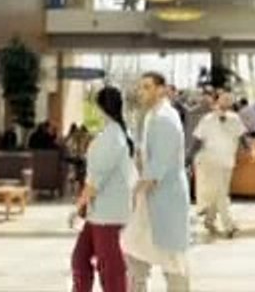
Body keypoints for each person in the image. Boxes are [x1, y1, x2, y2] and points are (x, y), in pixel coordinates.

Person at [122, 72, 191, 292]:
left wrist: (134, 193)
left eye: (147, 87)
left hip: (165, 198)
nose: (142, 92)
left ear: (161, 89)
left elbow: (157, 167)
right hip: (151, 198)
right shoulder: (152, 116)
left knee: (173, 260)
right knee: (134, 251)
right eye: (141, 87)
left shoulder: (164, 119)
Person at [72, 87, 136, 292]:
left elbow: (94, 181)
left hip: (107, 214)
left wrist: (78, 206)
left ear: (99, 108)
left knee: (110, 268)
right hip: (100, 213)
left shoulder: (111, 138)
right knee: (80, 259)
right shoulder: (115, 133)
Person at [193, 91, 249, 238]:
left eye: (229, 99)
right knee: (221, 193)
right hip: (211, 161)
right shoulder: (207, 119)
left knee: (219, 192)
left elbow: (242, 136)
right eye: (224, 99)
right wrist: (188, 157)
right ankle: (229, 225)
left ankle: (209, 220)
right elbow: (197, 140)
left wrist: (250, 149)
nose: (227, 101)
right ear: (217, 101)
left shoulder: (235, 118)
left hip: (228, 161)